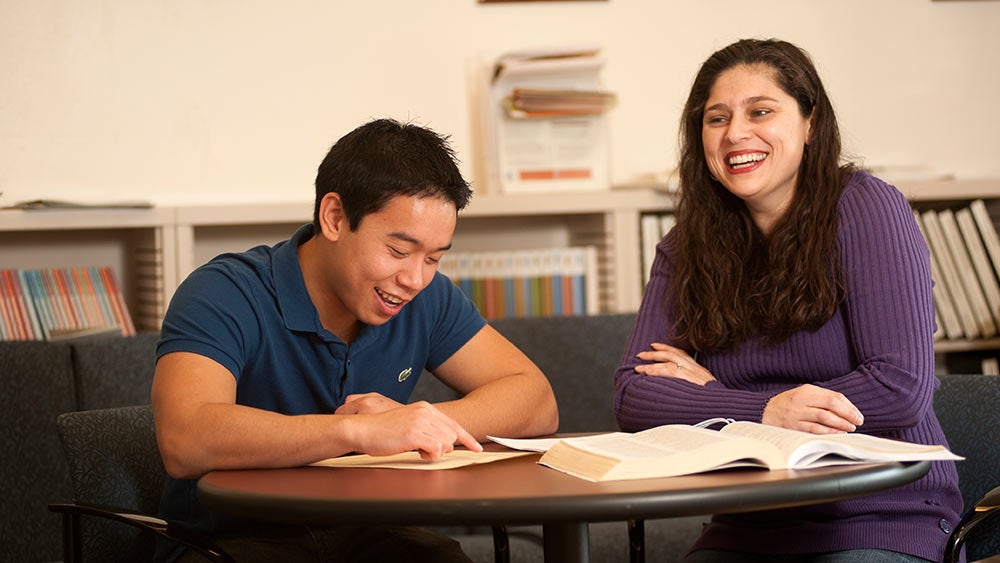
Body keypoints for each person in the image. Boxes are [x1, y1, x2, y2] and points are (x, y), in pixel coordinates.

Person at [614, 38, 963, 562]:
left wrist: (718, 400)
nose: (736, 133)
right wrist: (763, 409)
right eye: (716, 118)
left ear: (810, 124)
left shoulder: (866, 208)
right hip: (748, 523)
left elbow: (899, 387)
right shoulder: (688, 242)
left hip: (879, 515)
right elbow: (634, 397)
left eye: (761, 111)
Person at [152, 118, 559, 563]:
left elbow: (536, 399)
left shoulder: (426, 298)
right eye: (399, 252)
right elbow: (185, 438)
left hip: (366, 533)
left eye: (434, 258)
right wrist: (358, 430)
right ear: (334, 218)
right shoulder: (225, 291)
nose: (414, 279)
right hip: (231, 540)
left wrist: (416, 423)